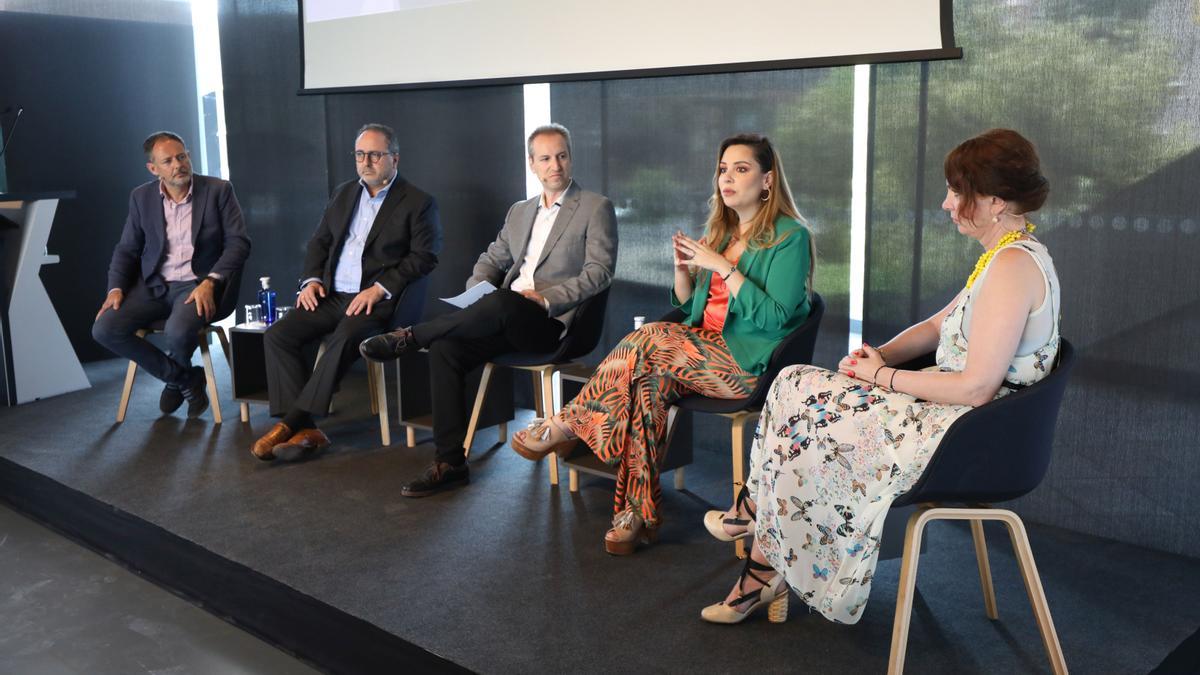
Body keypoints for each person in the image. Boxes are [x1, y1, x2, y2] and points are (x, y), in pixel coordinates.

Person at [699, 128, 1061, 625]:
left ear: (996, 200)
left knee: (805, 403)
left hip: (967, 435)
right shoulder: (1002, 256)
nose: (945, 203)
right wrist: (881, 354)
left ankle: (760, 553)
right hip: (950, 414)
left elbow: (976, 387)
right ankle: (760, 537)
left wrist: (884, 377)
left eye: (957, 192)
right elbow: (938, 325)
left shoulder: (1013, 267)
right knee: (793, 385)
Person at [508, 133, 815, 555]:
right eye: (723, 169)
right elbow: (692, 311)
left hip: (748, 367)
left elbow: (777, 318)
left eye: (741, 169)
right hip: (697, 355)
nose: (727, 178)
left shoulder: (790, 237)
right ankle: (637, 514)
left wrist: (723, 268)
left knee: (650, 336)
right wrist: (683, 271)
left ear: (767, 180)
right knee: (646, 387)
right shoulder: (722, 233)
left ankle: (569, 423)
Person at [359, 123, 618, 497]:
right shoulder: (520, 211)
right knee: (448, 349)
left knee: (500, 302)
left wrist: (546, 299)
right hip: (502, 314)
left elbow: (599, 273)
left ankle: (412, 336)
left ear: (571, 158)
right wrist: (477, 291)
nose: (555, 165)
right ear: (532, 164)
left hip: (551, 323)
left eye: (562, 156)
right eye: (545, 158)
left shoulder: (595, 207)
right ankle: (449, 462)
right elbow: (491, 259)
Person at [251, 123, 442, 462]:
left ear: (394, 159)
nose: (365, 161)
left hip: (377, 302)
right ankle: (306, 429)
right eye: (359, 154)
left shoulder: (418, 202)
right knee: (279, 335)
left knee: (346, 336)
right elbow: (319, 242)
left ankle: (289, 424)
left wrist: (379, 289)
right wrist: (310, 280)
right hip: (332, 296)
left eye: (375, 154)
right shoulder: (344, 194)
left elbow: (425, 257)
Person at [93, 131, 251, 418]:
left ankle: (174, 381)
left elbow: (239, 243)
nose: (178, 164)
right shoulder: (141, 197)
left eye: (182, 156)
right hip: (154, 285)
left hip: (197, 285)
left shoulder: (218, 190)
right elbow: (127, 249)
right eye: (168, 161)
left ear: (189, 156)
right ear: (154, 169)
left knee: (178, 332)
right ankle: (184, 378)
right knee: (104, 329)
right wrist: (115, 289)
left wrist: (211, 282)